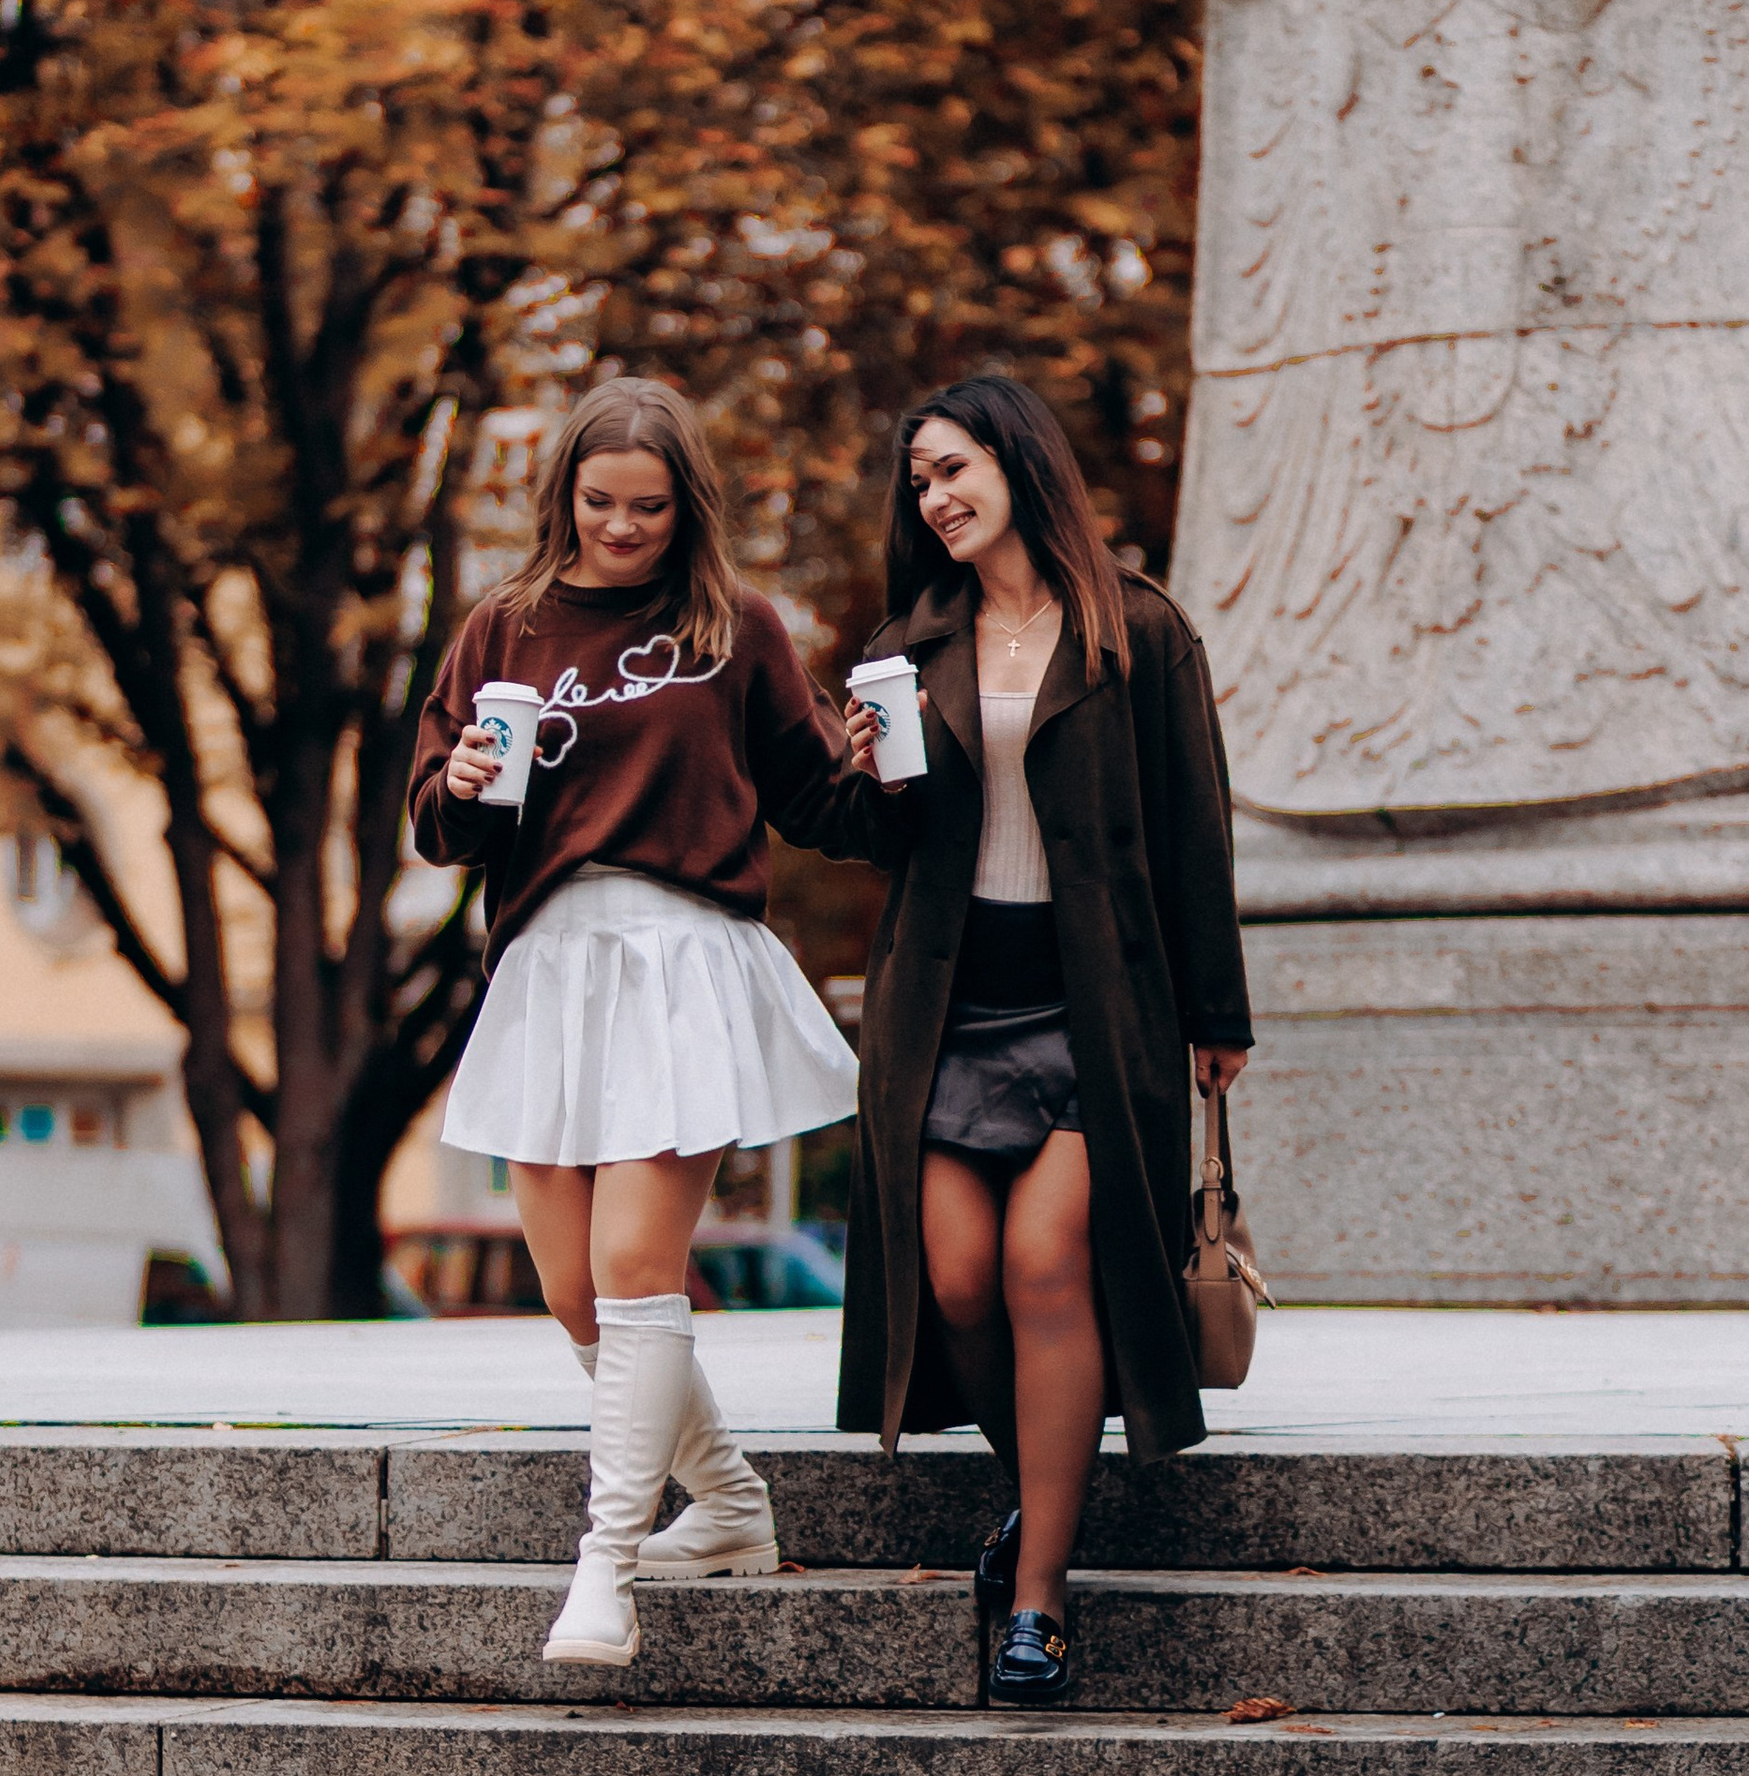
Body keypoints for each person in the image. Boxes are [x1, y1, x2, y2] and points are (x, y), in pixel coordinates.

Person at [409, 377, 878, 1666]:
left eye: (651, 509)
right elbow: (440, 826)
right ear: (564, 494)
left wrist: (899, 757)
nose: (623, 528)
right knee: (571, 1291)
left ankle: (604, 1572)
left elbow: (819, 804)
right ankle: (729, 1504)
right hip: (550, 961)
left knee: (634, 1275)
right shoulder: (500, 629)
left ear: (688, 510)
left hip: (681, 960)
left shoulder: (737, 630)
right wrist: (459, 785)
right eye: (601, 502)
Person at [835, 375, 1252, 1704]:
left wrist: (1216, 1013)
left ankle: (1041, 1596)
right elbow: (880, 850)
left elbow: (1197, 827)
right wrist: (867, 780)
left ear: (1018, 462)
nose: (937, 498)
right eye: (919, 482)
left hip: (1095, 1008)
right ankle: (1036, 1499)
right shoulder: (912, 643)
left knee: (1041, 1267)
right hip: (946, 1010)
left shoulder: (1139, 631)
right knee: (954, 1281)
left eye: (953, 468)